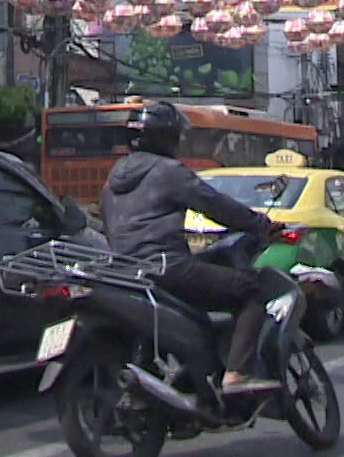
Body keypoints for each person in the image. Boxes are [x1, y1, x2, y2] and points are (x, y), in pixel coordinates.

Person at [100, 101, 282, 395]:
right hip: (167, 267)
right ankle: (236, 375)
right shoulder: (169, 171)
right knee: (252, 290)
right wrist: (261, 224)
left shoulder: (111, 182)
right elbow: (214, 204)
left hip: (126, 274)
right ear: (166, 137)